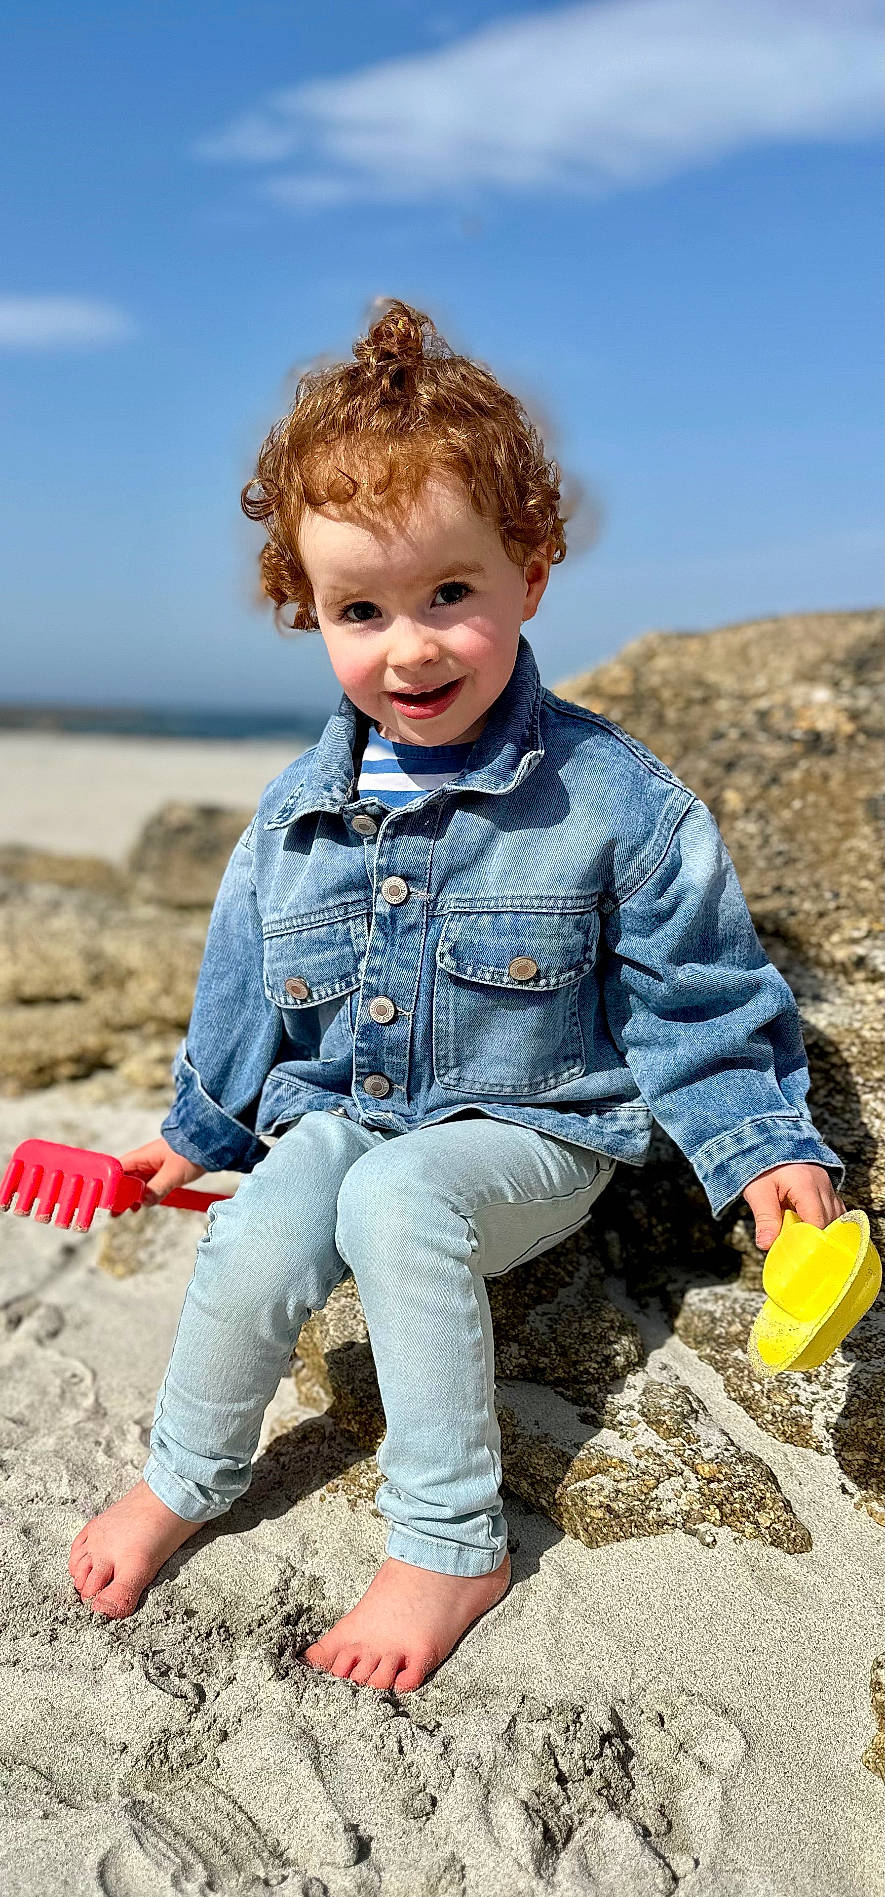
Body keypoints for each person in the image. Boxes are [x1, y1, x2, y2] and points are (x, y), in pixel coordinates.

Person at [68, 298, 847, 1690]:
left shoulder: (609, 800)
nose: (409, 647)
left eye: (450, 596)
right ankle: (185, 1471)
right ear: (303, 608)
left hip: (530, 1128)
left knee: (396, 1198)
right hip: (350, 1110)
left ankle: (445, 1541)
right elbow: (247, 996)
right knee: (257, 1233)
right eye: (358, 611)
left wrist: (764, 1143)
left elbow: (696, 990)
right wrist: (195, 1133)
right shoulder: (298, 816)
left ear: (529, 573)